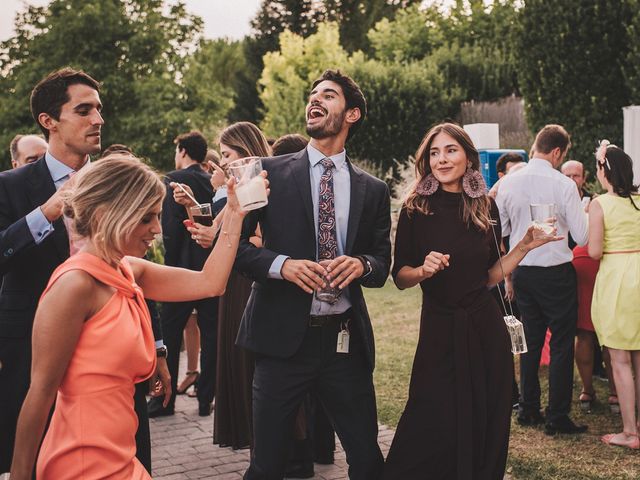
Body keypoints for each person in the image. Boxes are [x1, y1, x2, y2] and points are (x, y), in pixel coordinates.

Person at [9, 155, 251, 479]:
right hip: (83, 463)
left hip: (123, 456)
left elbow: (211, 282)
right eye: (146, 218)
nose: (156, 229)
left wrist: (235, 213)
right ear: (110, 215)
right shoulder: (74, 286)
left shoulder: (128, 270)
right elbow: (39, 395)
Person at [233, 69, 390, 479]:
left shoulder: (373, 189)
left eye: (329, 95)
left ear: (352, 114)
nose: (315, 100)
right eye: (313, 94)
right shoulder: (264, 171)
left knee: (368, 460)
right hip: (281, 343)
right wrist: (281, 265)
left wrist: (361, 264)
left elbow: (381, 263)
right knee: (266, 466)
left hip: (344, 343)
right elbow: (233, 251)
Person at [382, 122, 559, 479]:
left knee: (487, 416)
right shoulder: (415, 208)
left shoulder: (484, 205)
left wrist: (524, 245)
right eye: (434, 152)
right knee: (429, 417)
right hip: (439, 327)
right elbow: (399, 277)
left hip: (484, 326)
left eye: (450, 150)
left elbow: (490, 275)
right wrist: (423, 270)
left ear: (467, 157)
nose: (442, 159)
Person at [0, 67, 105, 473]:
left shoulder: (115, 180)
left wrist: (159, 346)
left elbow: (138, 267)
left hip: (108, 345)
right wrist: (48, 210)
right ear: (49, 122)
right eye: (84, 110)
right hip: (30, 348)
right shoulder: (9, 186)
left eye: (99, 109)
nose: (98, 120)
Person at [174, 121, 271, 448]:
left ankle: (260, 435)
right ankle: (248, 434)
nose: (224, 162)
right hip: (231, 279)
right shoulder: (235, 189)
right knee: (235, 356)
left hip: (249, 281)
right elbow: (213, 232)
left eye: (228, 154)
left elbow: (259, 237)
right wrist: (192, 206)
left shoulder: (260, 186)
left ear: (246, 152)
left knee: (248, 361)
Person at [496, 124, 589, 435]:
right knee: (562, 343)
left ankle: (528, 408)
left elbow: (500, 232)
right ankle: (557, 417)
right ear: (558, 152)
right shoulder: (564, 184)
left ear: (536, 145)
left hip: (522, 270)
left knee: (531, 341)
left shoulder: (508, 183)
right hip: (557, 272)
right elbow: (582, 234)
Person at [147, 130, 218, 418]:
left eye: (177, 150)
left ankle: (164, 400)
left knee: (169, 335)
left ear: (184, 152)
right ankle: (205, 400)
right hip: (212, 269)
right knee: (212, 336)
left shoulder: (173, 180)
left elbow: (173, 231)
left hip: (180, 272)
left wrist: (169, 266)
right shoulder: (212, 181)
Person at [589, 141, 640, 449]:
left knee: (619, 359)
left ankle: (631, 432)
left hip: (619, 276)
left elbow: (594, 251)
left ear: (603, 171)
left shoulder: (600, 203)